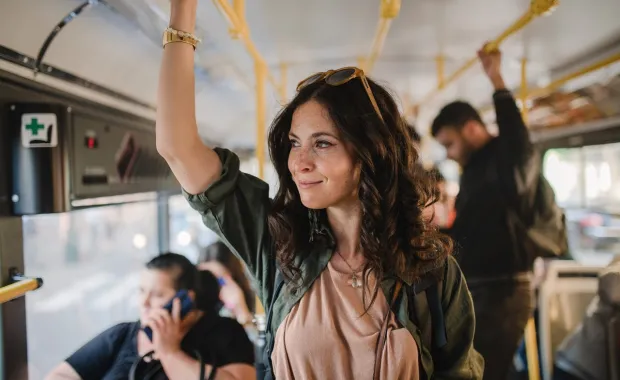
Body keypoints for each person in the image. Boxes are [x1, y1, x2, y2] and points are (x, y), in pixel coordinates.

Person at [156, 1, 484, 378]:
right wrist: (183, 11)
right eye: (295, 143)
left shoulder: (432, 274)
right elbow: (177, 147)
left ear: (368, 155)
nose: (299, 162)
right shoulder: (279, 246)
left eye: (322, 143)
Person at [431, 45, 547, 379]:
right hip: (482, 286)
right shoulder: (474, 170)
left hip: (503, 290)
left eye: (450, 144)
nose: (449, 154)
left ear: (471, 129)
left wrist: (497, 80)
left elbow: (516, 138)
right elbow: (470, 228)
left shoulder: (507, 159)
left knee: (484, 371)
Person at [45, 253, 255, 380]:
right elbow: (60, 376)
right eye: (141, 291)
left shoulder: (226, 333)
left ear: (186, 299)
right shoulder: (122, 335)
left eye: (157, 294)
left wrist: (169, 352)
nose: (144, 303)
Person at [198, 241, 258, 343]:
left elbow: (258, 350)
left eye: (219, 280)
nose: (211, 286)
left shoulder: (236, 305)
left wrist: (241, 311)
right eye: (206, 278)